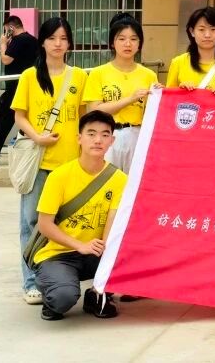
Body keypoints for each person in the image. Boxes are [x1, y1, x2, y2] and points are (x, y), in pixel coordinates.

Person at [11, 17, 87, 305]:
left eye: (64, 38)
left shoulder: (79, 77)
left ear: (70, 44)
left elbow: (84, 119)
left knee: (65, 224)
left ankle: (55, 276)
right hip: (39, 164)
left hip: (70, 164)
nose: (58, 44)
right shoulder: (30, 76)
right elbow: (20, 116)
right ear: (42, 42)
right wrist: (38, 137)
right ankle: (30, 282)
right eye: (52, 38)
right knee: (31, 222)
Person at [33, 110, 127, 321]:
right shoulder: (59, 176)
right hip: (59, 254)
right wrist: (79, 245)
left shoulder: (119, 179)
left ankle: (96, 295)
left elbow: (112, 222)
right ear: (79, 138)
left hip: (94, 252)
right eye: (91, 134)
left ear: (112, 141)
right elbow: (44, 225)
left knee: (132, 257)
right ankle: (53, 293)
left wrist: (107, 261)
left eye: (105, 134)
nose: (98, 140)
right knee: (63, 298)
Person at [82, 14, 159, 172]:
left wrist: (160, 97)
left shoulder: (148, 75)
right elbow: (94, 110)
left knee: (134, 182)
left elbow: (152, 114)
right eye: (121, 39)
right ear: (112, 42)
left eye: (134, 39)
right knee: (106, 181)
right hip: (107, 135)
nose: (128, 44)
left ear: (140, 43)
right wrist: (130, 99)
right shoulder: (98, 73)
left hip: (137, 136)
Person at [0, 14, 38, 166]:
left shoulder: (19, 40)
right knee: (26, 120)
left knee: (4, 120)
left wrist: (3, 44)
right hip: (27, 87)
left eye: (6, 30)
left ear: (11, 28)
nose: (5, 33)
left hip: (14, 88)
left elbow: (6, 59)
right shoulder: (32, 40)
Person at [166, 6, 215, 94]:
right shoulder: (178, 63)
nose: (207, 35)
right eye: (201, 29)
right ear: (192, 31)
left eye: (213, 29)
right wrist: (181, 90)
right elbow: (168, 99)